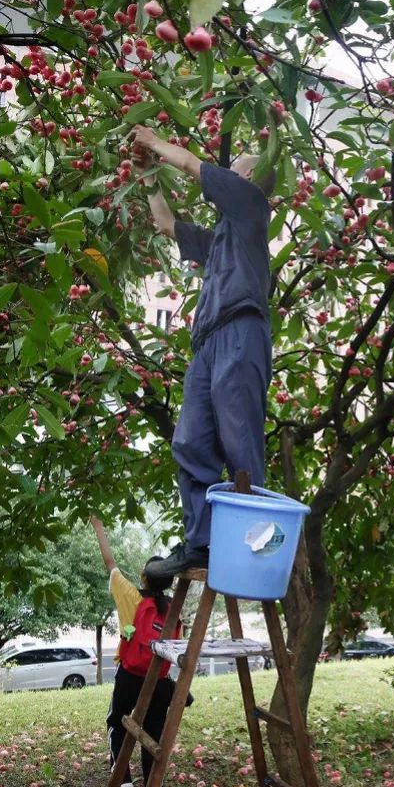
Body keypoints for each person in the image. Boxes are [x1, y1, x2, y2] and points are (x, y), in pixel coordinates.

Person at [131, 125, 274, 581]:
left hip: (241, 331)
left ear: (248, 181)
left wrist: (155, 143)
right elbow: (167, 224)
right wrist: (150, 176)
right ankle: (202, 543)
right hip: (208, 343)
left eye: (236, 172)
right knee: (190, 441)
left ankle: (253, 547)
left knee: (240, 444)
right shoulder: (220, 244)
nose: (228, 175)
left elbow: (195, 166)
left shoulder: (253, 208)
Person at [90, 516, 179, 787]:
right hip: (161, 681)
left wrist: (98, 527)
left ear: (143, 576)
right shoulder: (173, 609)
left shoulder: (131, 596)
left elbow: (109, 562)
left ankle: (123, 777)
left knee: (116, 722)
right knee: (153, 733)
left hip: (130, 675)